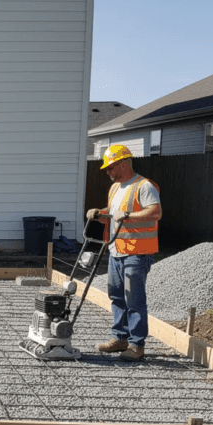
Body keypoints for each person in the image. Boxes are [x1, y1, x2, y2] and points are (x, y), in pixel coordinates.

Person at [86, 144, 162, 361]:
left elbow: (155, 212)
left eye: (110, 168)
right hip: (116, 249)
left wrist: (127, 215)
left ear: (123, 163)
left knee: (134, 299)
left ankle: (136, 345)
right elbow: (113, 213)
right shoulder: (115, 188)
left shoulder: (144, 186)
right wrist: (99, 213)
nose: (108, 172)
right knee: (117, 296)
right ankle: (120, 338)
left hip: (137, 253)